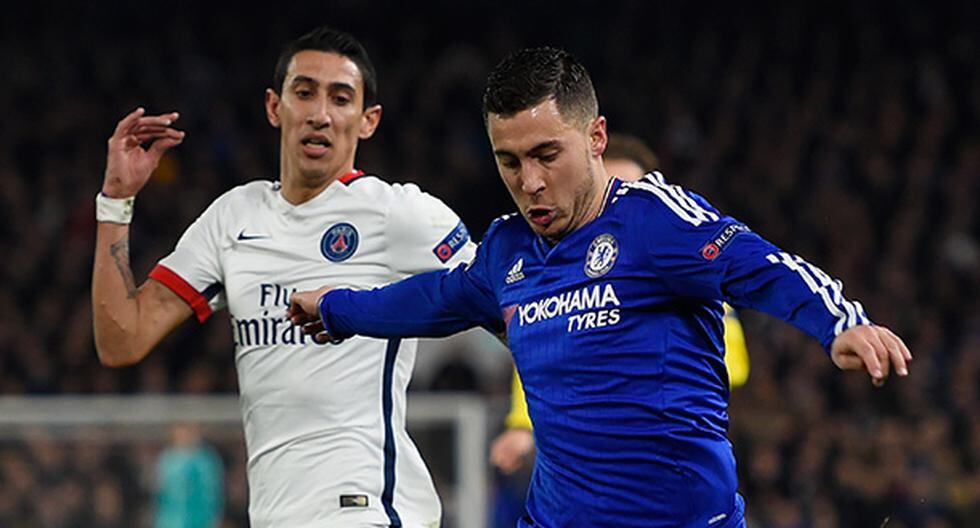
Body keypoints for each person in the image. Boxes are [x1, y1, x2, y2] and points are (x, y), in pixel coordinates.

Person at [287, 47, 912, 527]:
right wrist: (338, 309)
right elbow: (431, 299)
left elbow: (760, 265)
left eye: (546, 155)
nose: (529, 181)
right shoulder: (506, 249)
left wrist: (840, 322)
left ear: (596, 138)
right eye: (509, 162)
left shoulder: (652, 220)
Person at [92, 26, 474, 527]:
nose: (320, 113)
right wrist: (116, 200)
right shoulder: (233, 219)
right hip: (276, 512)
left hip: (365, 507)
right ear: (275, 108)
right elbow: (122, 339)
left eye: (341, 98)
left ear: (368, 121)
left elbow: (501, 296)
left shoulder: (398, 214)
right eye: (304, 93)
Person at [489, 134, 751, 477]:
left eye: (631, 192)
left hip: (671, 462)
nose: (619, 207)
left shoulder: (685, 274)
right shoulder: (554, 284)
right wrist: (523, 427)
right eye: (608, 193)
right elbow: (538, 358)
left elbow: (734, 364)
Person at [155, 423, 224, 528]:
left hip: (200, 522)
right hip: (170, 522)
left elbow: (213, 496)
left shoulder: (206, 460)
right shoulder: (166, 459)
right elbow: (160, 497)